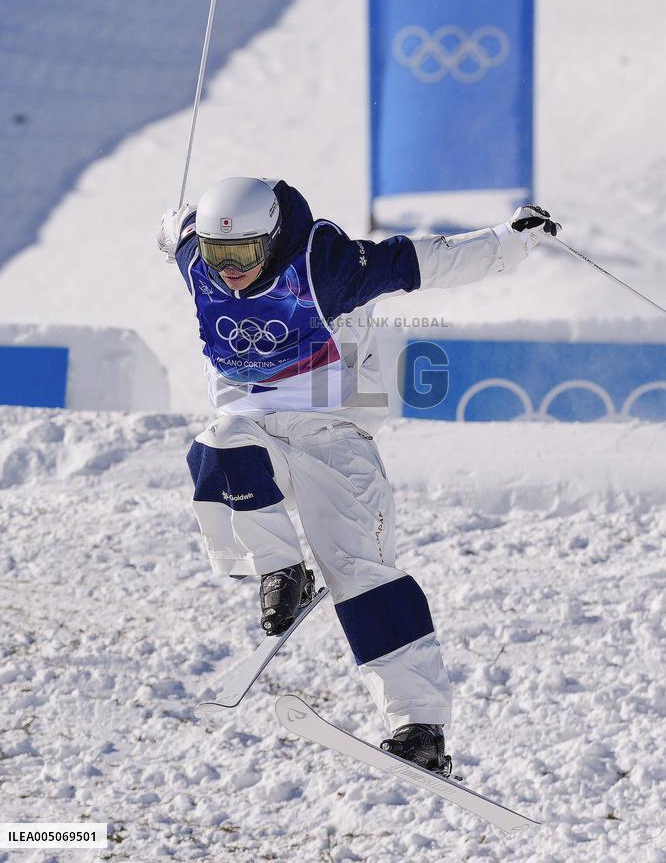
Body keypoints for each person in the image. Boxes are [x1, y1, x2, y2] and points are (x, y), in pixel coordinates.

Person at [158, 177, 560, 773]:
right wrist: (171, 226)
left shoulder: (328, 266)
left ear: (270, 239)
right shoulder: (199, 256)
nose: (231, 270)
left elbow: (430, 261)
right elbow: (173, 231)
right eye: (220, 256)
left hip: (335, 439)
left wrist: (510, 241)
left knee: (365, 577)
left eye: (243, 254)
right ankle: (280, 571)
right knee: (218, 447)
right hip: (254, 427)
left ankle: (419, 727)